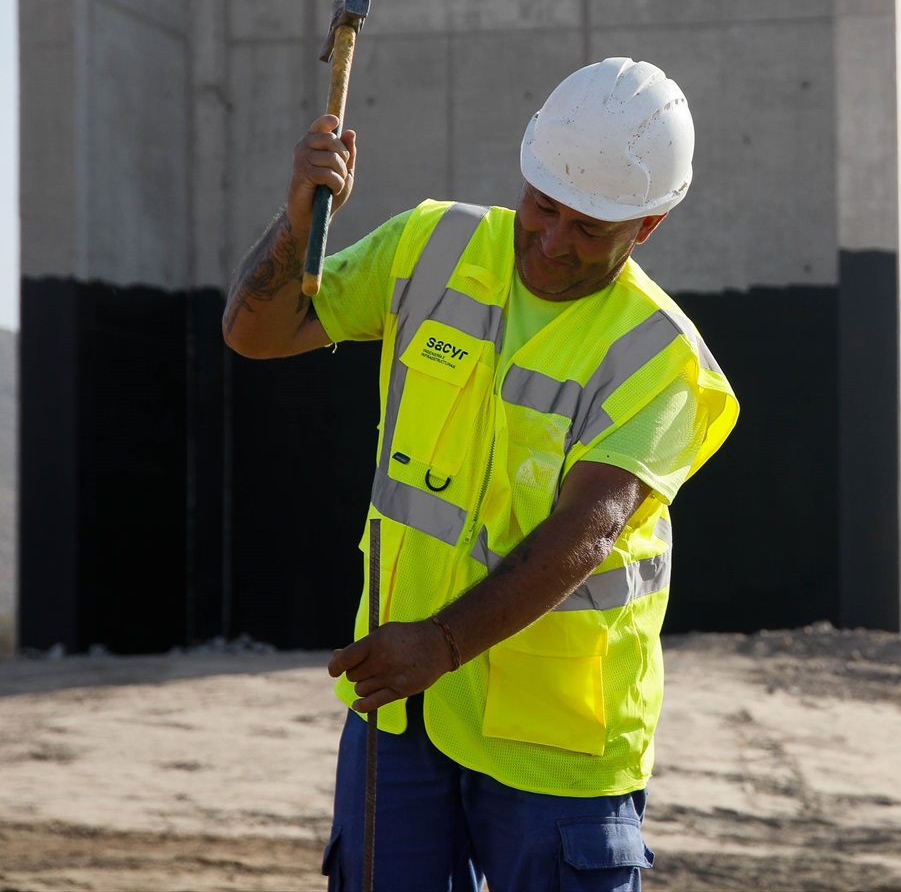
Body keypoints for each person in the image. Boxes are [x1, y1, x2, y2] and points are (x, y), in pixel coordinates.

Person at [222, 57, 738, 891]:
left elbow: (591, 527)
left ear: (647, 225)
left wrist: (443, 642)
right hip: (402, 703)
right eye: (544, 208)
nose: (553, 241)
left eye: (590, 229)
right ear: (526, 176)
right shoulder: (433, 245)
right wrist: (297, 220)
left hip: (555, 738)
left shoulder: (661, 356)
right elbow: (259, 332)